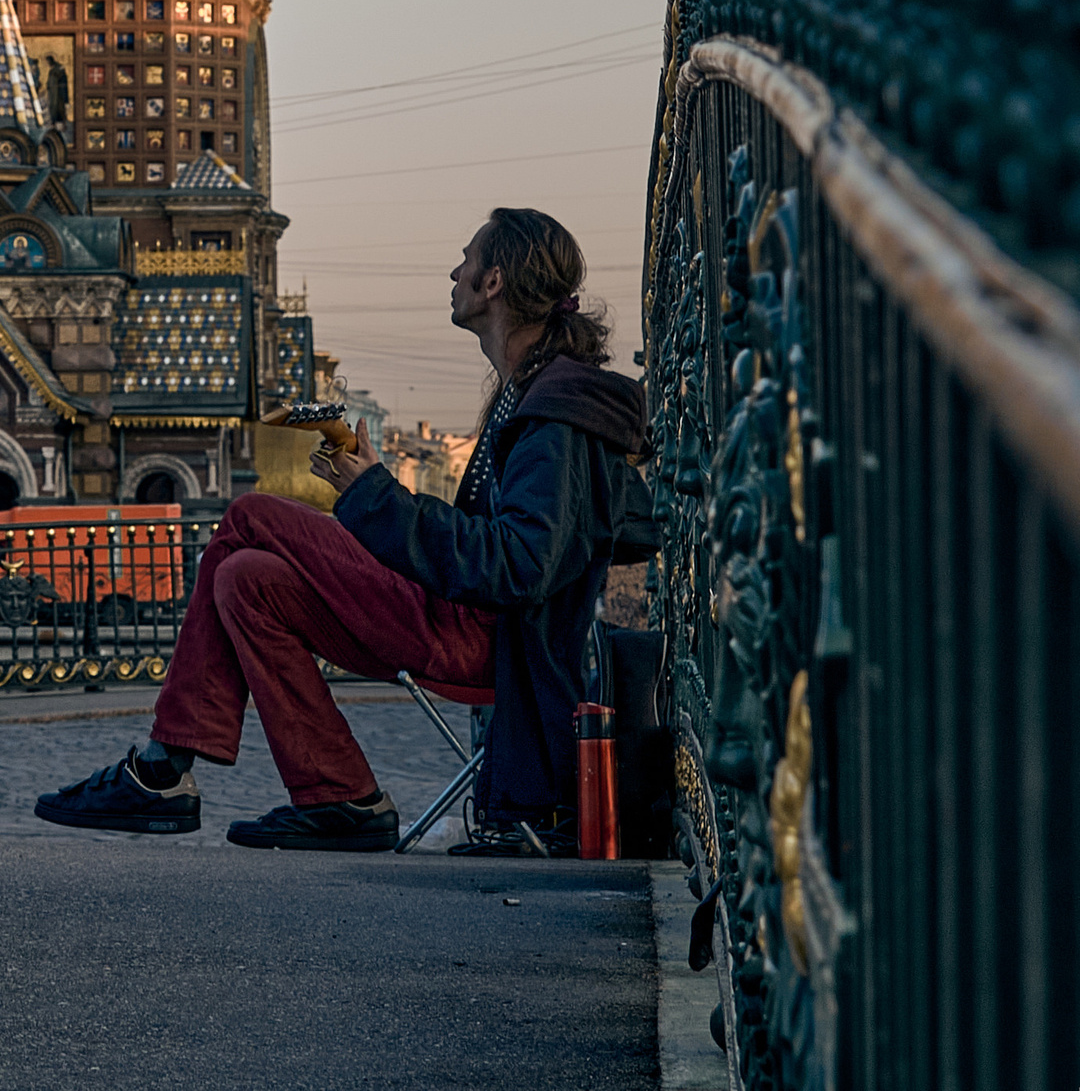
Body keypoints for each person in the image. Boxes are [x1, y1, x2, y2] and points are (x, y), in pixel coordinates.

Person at [35, 205, 645, 854]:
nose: (453, 271)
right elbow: (504, 539)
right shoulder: (534, 391)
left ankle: (161, 768)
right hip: (472, 620)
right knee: (247, 579)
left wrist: (374, 496)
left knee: (250, 514)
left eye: (466, 259)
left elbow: (517, 563)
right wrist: (375, 486)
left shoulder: (553, 408)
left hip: (485, 633)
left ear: (493, 282)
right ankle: (341, 796)